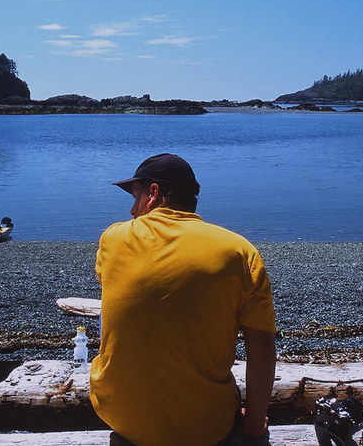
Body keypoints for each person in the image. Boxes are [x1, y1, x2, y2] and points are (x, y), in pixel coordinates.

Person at [89, 153, 277, 446]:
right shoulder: (239, 251)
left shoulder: (113, 238)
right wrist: (254, 425)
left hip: (122, 417)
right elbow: (262, 347)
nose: (130, 209)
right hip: (205, 427)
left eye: (135, 196)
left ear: (153, 193)